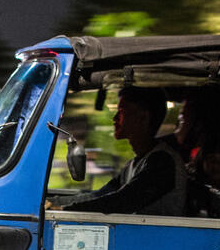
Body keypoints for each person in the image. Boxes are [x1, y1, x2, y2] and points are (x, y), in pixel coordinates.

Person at [50, 86, 187, 216]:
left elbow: (122, 201)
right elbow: (100, 195)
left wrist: (65, 210)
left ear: (143, 118)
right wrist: (54, 202)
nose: (114, 119)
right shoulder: (134, 163)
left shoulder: (162, 162)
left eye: (121, 112)